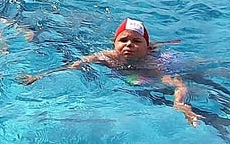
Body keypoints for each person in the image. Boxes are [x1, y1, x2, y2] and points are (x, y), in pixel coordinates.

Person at [18, 18, 201, 127]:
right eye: (124, 40)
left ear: (147, 47)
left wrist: (180, 104)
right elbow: (74, 65)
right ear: (114, 44)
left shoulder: (152, 64)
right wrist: (40, 76)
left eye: (137, 41)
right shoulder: (106, 57)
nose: (129, 44)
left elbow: (179, 84)